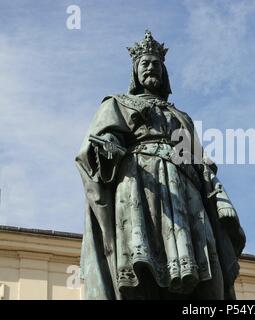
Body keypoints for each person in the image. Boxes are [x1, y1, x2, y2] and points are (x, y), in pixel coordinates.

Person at [75, 30, 245, 300]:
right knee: (141, 254)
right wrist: (108, 148)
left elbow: (200, 163)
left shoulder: (181, 116)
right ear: (135, 71)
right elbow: (100, 143)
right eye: (145, 63)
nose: (151, 67)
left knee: (201, 260)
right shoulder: (117, 103)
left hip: (185, 189)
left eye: (156, 63)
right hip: (139, 184)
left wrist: (219, 198)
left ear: (164, 72)